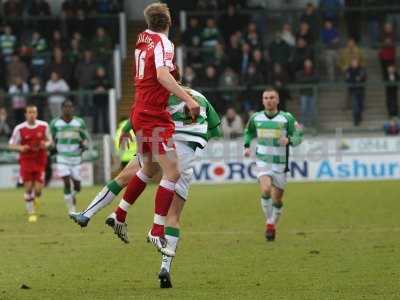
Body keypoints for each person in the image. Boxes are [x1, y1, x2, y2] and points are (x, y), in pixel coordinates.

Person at [70, 87, 221, 288]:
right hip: (186, 156)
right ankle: (165, 267)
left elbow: (142, 113)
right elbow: (216, 130)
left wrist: (125, 130)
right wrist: (198, 139)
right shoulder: (201, 97)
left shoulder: (162, 91)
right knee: (174, 216)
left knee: (128, 175)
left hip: (163, 143)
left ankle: (95, 214)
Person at [82, 3, 199, 257]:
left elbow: (155, 72)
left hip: (139, 111)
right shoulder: (165, 44)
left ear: (148, 21)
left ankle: (119, 214)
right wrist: (188, 99)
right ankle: (156, 230)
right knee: (173, 172)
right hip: (154, 116)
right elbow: (161, 75)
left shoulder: (141, 38)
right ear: (169, 20)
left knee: (147, 168)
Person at [244, 87, 303, 241]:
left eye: (272, 98)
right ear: (262, 100)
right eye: (266, 98)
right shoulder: (256, 118)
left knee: (277, 200)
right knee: (265, 190)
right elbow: (248, 132)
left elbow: (298, 134)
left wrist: (289, 140)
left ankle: (271, 223)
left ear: (277, 100)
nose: (269, 100)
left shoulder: (286, 118)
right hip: (263, 162)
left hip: (280, 165)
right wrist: (246, 146)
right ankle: (270, 224)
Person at [8, 104, 52, 222]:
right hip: (26, 161)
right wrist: (21, 147)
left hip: (40, 160)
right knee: (28, 188)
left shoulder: (44, 126)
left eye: (33, 112)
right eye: (29, 112)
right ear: (25, 114)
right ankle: (31, 212)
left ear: (36, 114)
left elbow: (50, 141)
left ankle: (33, 199)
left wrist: (45, 144)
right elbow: (11, 144)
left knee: (38, 190)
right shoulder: (19, 128)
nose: (31, 114)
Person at [50, 100, 89, 214]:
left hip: (76, 157)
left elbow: (84, 137)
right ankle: (71, 209)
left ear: (73, 109)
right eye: (66, 107)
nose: (68, 109)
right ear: (62, 109)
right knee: (66, 181)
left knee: (77, 186)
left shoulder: (79, 122)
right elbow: (51, 138)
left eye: (70, 107)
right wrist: (51, 146)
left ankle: (70, 196)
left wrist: (84, 144)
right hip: (61, 157)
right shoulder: (55, 123)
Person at [345, 58, 367, 126]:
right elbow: (347, 79)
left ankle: (359, 116)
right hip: (353, 90)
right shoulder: (348, 70)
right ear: (351, 63)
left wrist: (359, 78)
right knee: (355, 105)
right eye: (353, 62)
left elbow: (364, 77)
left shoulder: (361, 69)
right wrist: (356, 79)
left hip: (361, 89)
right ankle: (356, 120)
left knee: (360, 105)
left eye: (355, 62)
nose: (354, 63)